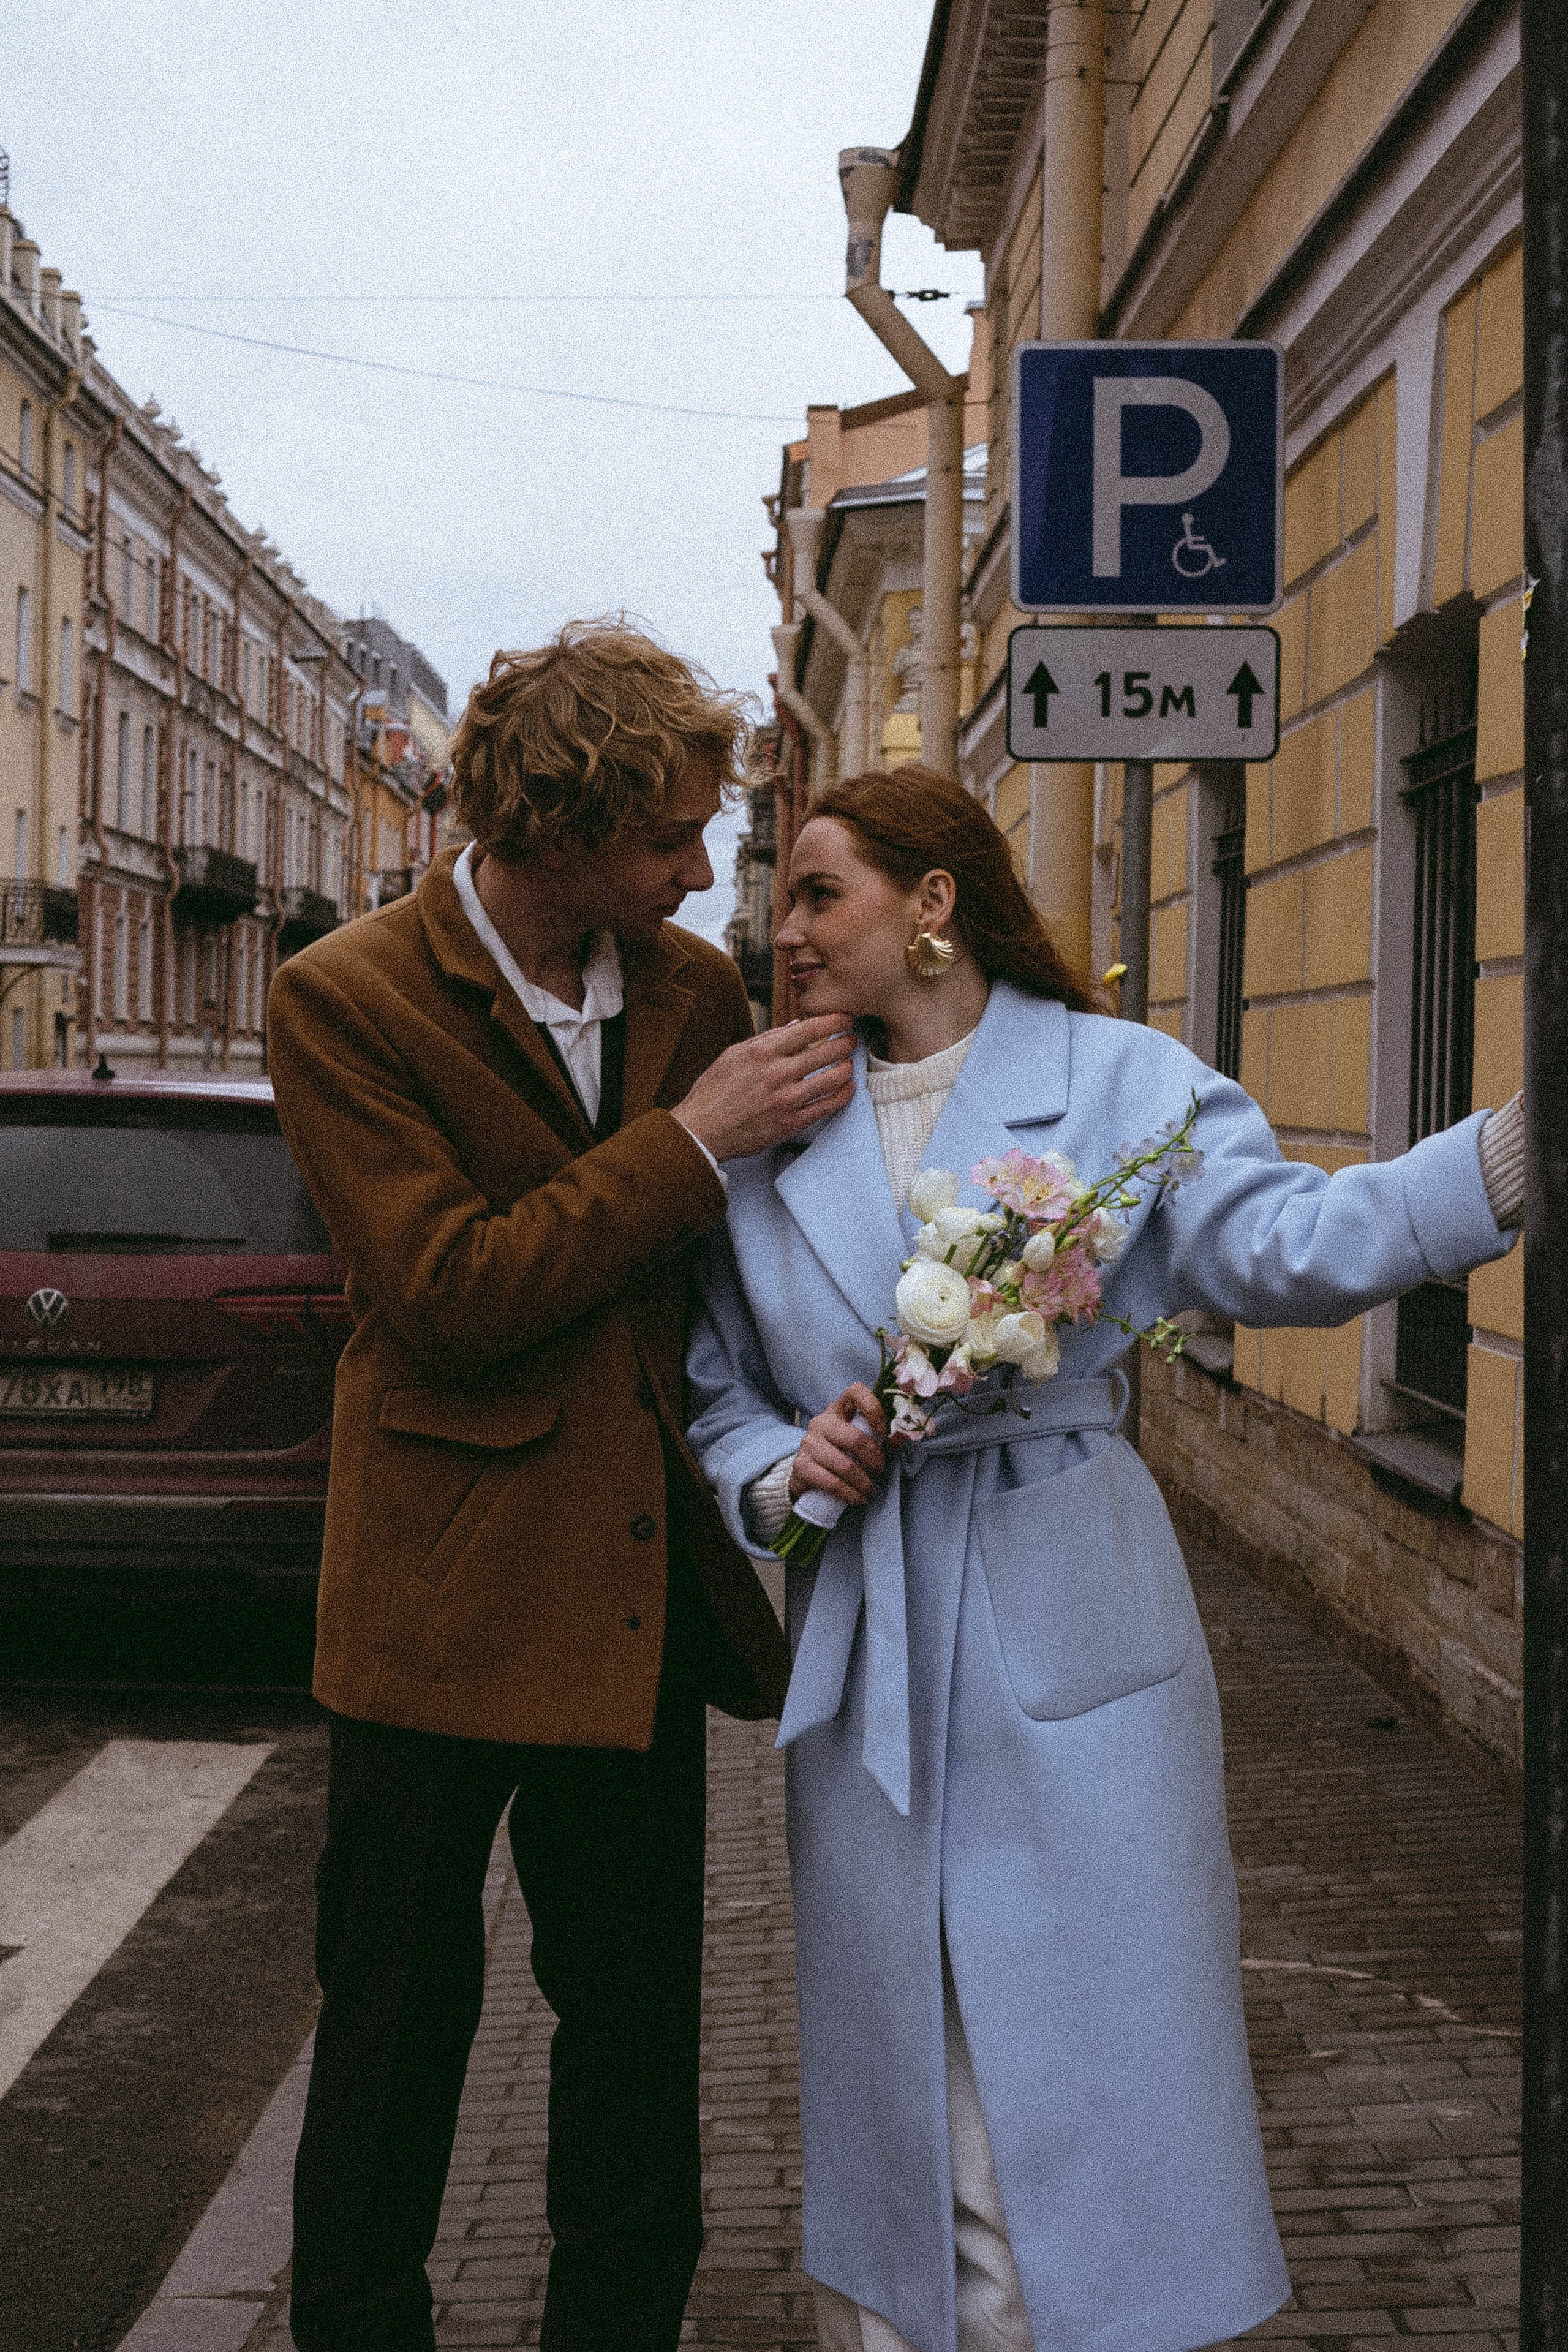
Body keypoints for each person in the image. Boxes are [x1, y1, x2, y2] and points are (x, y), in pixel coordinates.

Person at [685, 764, 1525, 2352]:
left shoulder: (1115, 1082)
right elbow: (715, 1394)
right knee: (912, 2114)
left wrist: (1498, 1163)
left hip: (1070, 1615)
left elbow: (1291, 1248)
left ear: (933, 905)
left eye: (819, 893)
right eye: (784, 899)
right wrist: (783, 1472)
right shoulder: (768, 1131)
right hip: (872, 1643)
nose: (784, 929)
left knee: (1071, 2093)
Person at [265, 619, 856, 2352]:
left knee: (634, 2048)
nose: (705, 865)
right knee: (390, 2036)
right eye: (674, 836)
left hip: (630, 1589)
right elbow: (448, 1293)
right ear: (569, 824)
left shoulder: (689, 991)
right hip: (435, 1599)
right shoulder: (346, 996)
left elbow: (755, 1266)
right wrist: (687, 1144)